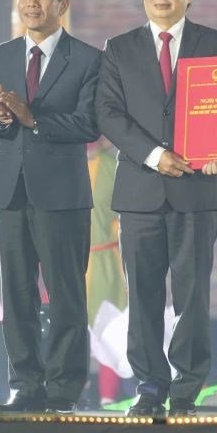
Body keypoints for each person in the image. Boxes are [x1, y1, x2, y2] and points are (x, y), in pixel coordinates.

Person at [96, 0, 217, 417]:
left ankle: (186, 389)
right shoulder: (119, 48)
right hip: (139, 191)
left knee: (194, 294)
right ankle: (150, 386)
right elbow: (108, 114)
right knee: (144, 295)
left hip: (198, 190)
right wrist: (155, 156)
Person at [0, 0, 101, 414]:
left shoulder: (87, 59)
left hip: (62, 193)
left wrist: (34, 119)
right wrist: (0, 116)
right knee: (18, 293)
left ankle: (64, 387)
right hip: (9, 190)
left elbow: (89, 123)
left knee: (65, 292)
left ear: (63, 4)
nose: (32, 3)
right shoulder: (0, 55)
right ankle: (24, 384)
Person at [85, 136, 131, 406]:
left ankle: (107, 399)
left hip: (106, 261)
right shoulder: (62, 163)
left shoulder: (112, 166)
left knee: (110, 330)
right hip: (68, 261)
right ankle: (68, 391)